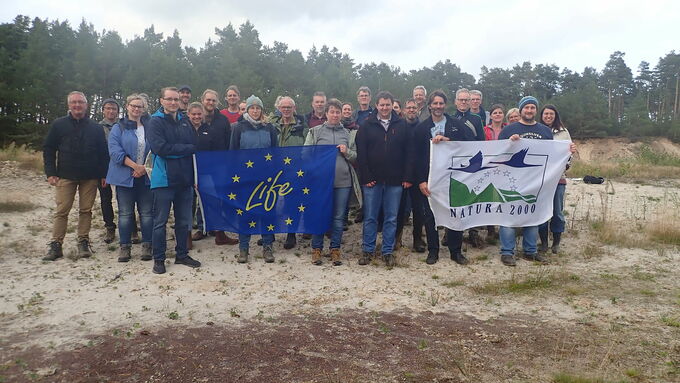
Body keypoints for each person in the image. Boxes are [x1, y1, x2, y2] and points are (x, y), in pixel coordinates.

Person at [497, 96, 576, 267]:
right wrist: (509, 143)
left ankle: (530, 251)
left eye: (533, 108)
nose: (530, 110)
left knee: (533, 215)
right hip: (513, 181)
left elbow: (552, 155)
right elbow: (498, 154)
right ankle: (507, 252)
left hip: (536, 182)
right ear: (520, 110)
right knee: (509, 215)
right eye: (526, 108)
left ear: (535, 110)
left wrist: (567, 151)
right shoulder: (509, 129)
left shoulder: (545, 131)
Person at [43, 91, 109, 261]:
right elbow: (49, 149)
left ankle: (83, 241)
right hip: (65, 175)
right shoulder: (59, 125)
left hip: (90, 176)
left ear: (86, 105)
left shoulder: (96, 128)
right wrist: (50, 172)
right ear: (69, 105)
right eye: (74, 102)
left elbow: (103, 153)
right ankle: (56, 244)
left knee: (86, 210)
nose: (77, 105)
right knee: (61, 211)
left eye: (80, 102)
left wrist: (104, 174)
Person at [413, 90, 475, 265]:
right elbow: (415, 157)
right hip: (430, 179)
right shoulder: (421, 128)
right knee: (430, 216)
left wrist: (448, 140)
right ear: (430, 105)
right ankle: (433, 251)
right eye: (435, 103)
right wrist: (421, 180)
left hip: (453, 178)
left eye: (441, 103)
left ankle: (456, 251)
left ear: (445, 105)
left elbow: (468, 147)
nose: (438, 107)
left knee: (454, 213)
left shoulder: (457, 125)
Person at [147, 87, 200, 274]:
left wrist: (179, 149)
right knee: (160, 222)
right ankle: (159, 259)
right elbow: (160, 148)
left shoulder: (185, 121)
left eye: (176, 99)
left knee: (183, 221)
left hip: (185, 180)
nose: (173, 102)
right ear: (161, 100)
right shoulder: (155, 122)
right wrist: (184, 149)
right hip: (164, 180)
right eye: (169, 99)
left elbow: (194, 144)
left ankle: (182, 254)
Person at [356, 91, 413, 267]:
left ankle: (387, 251)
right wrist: (365, 176)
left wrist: (407, 176)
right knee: (371, 217)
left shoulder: (402, 125)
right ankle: (368, 250)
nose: (385, 108)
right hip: (372, 181)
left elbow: (409, 153)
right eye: (382, 105)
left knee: (391, 217)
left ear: (392, 105)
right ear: (377, 106)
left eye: (388, 105)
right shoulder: (367, 126)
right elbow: (361, 154)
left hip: (395, 181)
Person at [304, 98, 360, 266]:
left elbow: (356, 156)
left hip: (343, 182)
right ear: (326, 113)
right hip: (321, 182)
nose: (335, 115)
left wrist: (347, 151)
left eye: (338, 112)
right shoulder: (315, 131)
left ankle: (335, 249)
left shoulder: (348, 134)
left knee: (338, 218)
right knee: (320, 215)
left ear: (341, 114)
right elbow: (305, 155)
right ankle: (316, 249)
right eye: (332, 112)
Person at [230, 95, 279, 264]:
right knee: (245, 213)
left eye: (258, 108)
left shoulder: (269, 128)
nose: (255, 111)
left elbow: (276, 153)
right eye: (252, 108)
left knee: (266, 212)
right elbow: (233, 153)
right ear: (247, 109)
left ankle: (267, 247)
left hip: (265, 178)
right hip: (245, 177)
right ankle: (244, 249)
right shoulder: (238, 128)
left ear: (262, 110)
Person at [105, 94, 153, 262]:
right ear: (127, 106)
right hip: (125, 177)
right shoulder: (119, 128)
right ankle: (125, 247)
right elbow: (115, 151)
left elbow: (155, 149)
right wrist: (135, 166)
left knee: (147, 213)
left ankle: (148, 245)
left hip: (146, 177)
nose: (136, 109)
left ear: (144, 109)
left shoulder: (149, 126)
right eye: (133, 105)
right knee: (125, 214)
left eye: (140, 106)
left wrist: (143, 169)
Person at [191, 90, 239, 246]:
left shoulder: (223, 120)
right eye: (208, 100)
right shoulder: (196, 119)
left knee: (218, 197)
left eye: (213, 100)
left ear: (217, 102)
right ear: (202, 100)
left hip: (219, 165)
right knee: (201, 197)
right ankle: (202, 228)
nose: (210, 103)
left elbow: (228, 142)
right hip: (200, 165)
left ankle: (219, 231)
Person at [271, 96, 308, 249]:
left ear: (294, 108)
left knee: (292, 203)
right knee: (270, 202)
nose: (286, 110)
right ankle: (269, 233)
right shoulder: (271, 126)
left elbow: (309, 149)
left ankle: (291, 234)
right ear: (279, 109)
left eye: (289, 107)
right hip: (274, 170)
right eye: (283, 107)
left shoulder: (303, 129)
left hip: (294, 171)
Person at [538, 104, 572, 254]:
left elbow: (569, 152)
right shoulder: (537, 131)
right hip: (540, 179)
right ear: (542, 115)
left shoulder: (563, 132)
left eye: (551, 114)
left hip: (558, 178)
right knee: (542, 211)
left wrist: (566, 166)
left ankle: (556, 242)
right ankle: (544, 242)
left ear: (555, 115)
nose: (548, 116)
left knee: (557, 211)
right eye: (546, 114)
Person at [395, 98, 423, 251]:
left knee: (418, 210)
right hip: (401, 173)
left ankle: (417, 239)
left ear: (418, 109)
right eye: (409, 108)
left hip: (419, 174)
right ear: (404, 110)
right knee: (399, 209)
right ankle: (397, 239)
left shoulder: (423, 127)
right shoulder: (399, 126)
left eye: (414, 108)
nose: (411, 110)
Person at [99, 98, 119, 243]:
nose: (111, 111)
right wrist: (101, 173)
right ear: (103, 110)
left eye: (114, 109)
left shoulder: (123, 126)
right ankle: (110, 227)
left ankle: (131, 228)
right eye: (108, 108)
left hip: (121, 166)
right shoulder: (97, 128)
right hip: (104, 168)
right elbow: (96, 151)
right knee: (106, 199)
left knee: (125, 199)